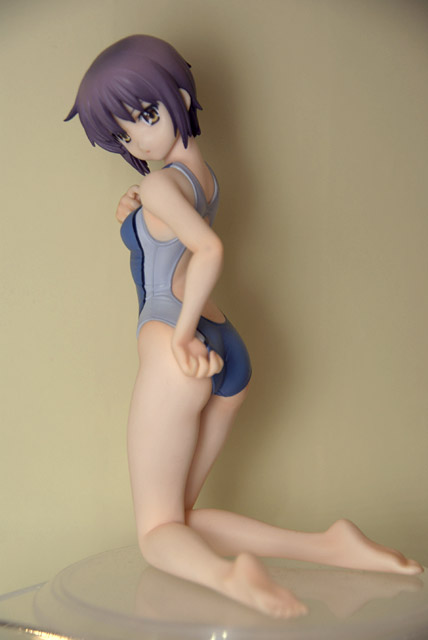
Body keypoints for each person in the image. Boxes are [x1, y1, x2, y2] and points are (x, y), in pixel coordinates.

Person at [66, 34, 422, 619]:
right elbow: (176, 238)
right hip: (228, 348)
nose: (138, 141)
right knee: (179, 520)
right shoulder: (202, 177)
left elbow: (208, 250)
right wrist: (137, 215)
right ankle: (332, 547)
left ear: (180, 97)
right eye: (124, 135)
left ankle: (231, 578)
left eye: (145, 116)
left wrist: (181, 336)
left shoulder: (160, 184)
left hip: (176, 343)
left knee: (156, 534)